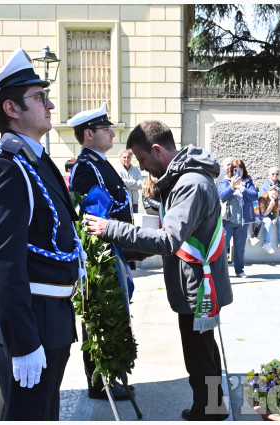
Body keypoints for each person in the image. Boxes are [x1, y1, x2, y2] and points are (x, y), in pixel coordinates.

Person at [82, 120, 232, 421]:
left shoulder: (190, 184)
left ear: (156, 149)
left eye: (142, 159)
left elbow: (168, 239)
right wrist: (123, 250)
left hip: (198, 286)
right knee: (204, 349)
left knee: (199, 352)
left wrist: (110, 229)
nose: (143, 166)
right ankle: (213, 403)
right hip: (194, 281)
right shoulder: (183, 179)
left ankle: (209, 409)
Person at [0, 48, 83, 420]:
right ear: (11, 109)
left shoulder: (35, 160)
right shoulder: (8, 168)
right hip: (27, 321)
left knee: (43, 415)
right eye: (39, 98)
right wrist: (23, 342)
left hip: (50, 316)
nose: (50, 105)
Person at [66, 102, 135, 401]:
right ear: (88, 134)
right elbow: (92, 215)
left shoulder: (100, 163)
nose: (112, 133)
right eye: (106, 129)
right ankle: (100, 383)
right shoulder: (86, 167)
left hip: (115, 250)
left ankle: (112, 377)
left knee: (115, 315)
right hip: (102, 257)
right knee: (101, 317)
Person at [218, 159, 258, 276]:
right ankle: (221, 272)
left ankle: (239, 270)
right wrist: (232, 186)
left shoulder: (248, 181)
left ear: (243, 170)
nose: (238, 172)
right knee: (223, 248)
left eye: (240, 169)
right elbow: (222, 196)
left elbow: (254, 197)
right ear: (231, 170)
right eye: (235, 169)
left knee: (240, 248)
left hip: (243, 221)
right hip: (228, 220)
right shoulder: (225, 181)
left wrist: (242, 188)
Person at [258, 185, 280, 254]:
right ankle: (266, 243)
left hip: (268, 215)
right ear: (269, 192)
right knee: (268, 221)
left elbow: (276, 212)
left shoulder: (276, 200)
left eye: (276, 195)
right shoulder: (263, 199)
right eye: (273, 194)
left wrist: (275, 218)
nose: (274, 196)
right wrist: (270, 205)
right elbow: (264, 213)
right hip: (260, 215)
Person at [117, 148, 144, 213]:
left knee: (134, 222)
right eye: (124, 157)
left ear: (131, 158)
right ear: (120, 158)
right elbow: (120, 184)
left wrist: (126, 184)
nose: (126, 159)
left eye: (128, 157)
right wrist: (134, 181)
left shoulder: (136, 170)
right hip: (124, 203)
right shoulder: (117, 170)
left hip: (135, 204)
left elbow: (141, 185)